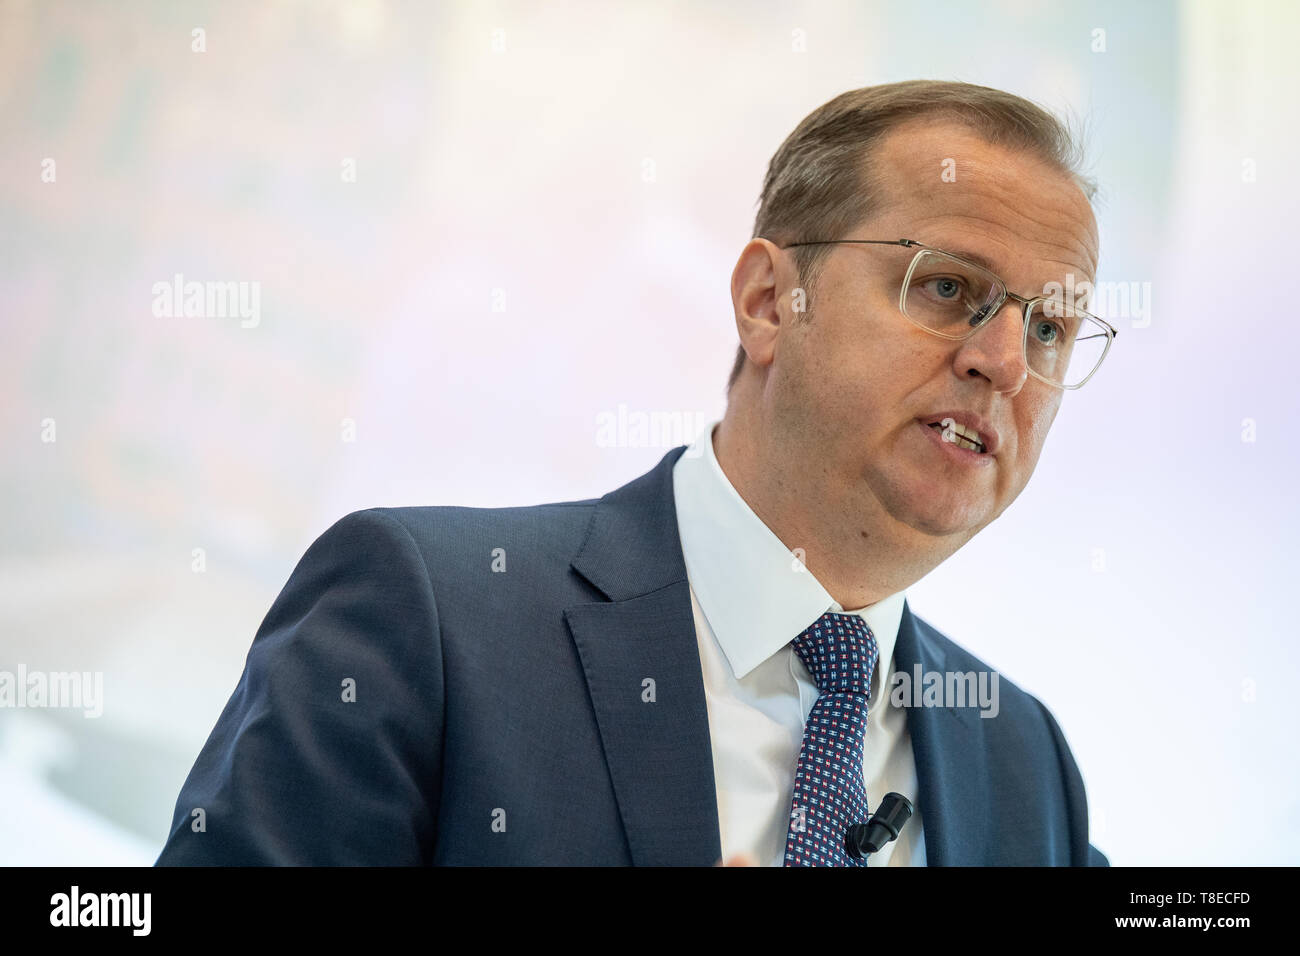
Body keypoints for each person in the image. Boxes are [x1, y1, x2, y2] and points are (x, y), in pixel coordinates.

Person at [156, 80, 1113, 867]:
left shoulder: (1024, 766)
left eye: (1049, 326)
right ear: (770, 303)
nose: (1004, 361)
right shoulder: (427, 614)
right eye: (948, 288)